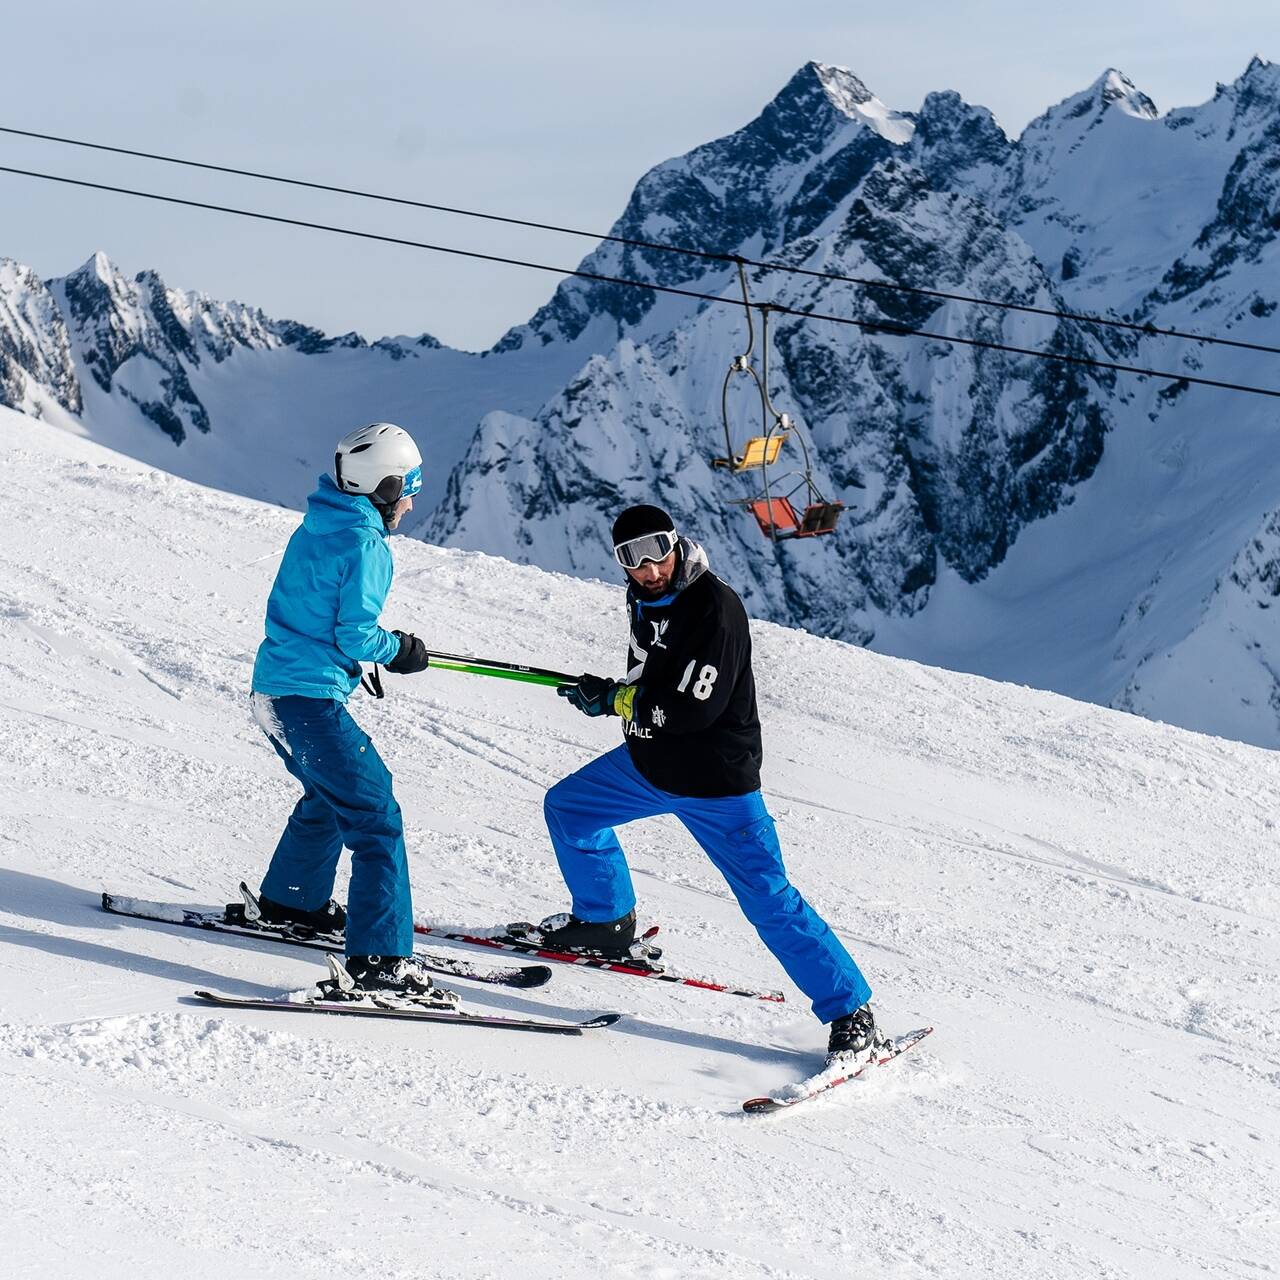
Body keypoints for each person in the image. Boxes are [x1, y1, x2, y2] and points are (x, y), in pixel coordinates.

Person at [539, 504, 878, 1061]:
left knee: (768, 896)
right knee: (570, 810)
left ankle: (851, 1012)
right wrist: (612, 689)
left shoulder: (715, 608)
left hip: (717, 782)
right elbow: (652, 672)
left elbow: (693, 708)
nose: (649, 568)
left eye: (656, 550)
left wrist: (616, 702)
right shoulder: (645, 597)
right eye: (632, 558)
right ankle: (605, 921)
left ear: (676, 543)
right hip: (651, 764)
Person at [247, 422, 439, 1001]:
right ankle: (380, 959)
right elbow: (356, 636)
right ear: (382, 487)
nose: (409, 502)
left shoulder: (320, 523)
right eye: (408, 488)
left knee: (332, 797)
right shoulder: (366, 544)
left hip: (273, 695)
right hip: (308, 704)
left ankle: (292, 901)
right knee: (377, 816)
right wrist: (398, 650)